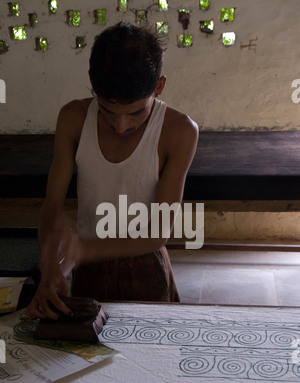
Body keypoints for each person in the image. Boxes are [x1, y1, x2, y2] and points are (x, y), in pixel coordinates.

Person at [26, 21, 199, 320]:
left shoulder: (179, 131)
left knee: (149, 355)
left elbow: (158, 234)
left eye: (135, 113)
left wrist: (82, 250)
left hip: (146, 266)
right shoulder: (73, 118)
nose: (121, 126)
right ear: (92, 81)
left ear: (159, 87)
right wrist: (50, 267)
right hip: (87, 271)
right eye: (107, 111)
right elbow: (50, 208)